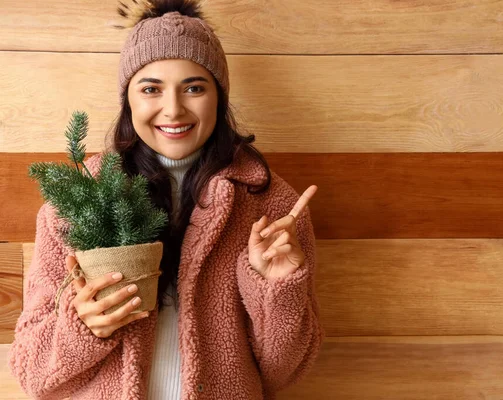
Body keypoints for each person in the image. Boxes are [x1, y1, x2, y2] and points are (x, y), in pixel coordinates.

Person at [7, 0, 324, 399]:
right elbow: (31, 372)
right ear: (129, 100)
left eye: (194, 87)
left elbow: (285, 373)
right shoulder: (77, 200)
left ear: (219, 98)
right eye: (151, 89)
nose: (173, 110)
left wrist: (276, 289)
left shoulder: (271, 204)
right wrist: (83, 327)